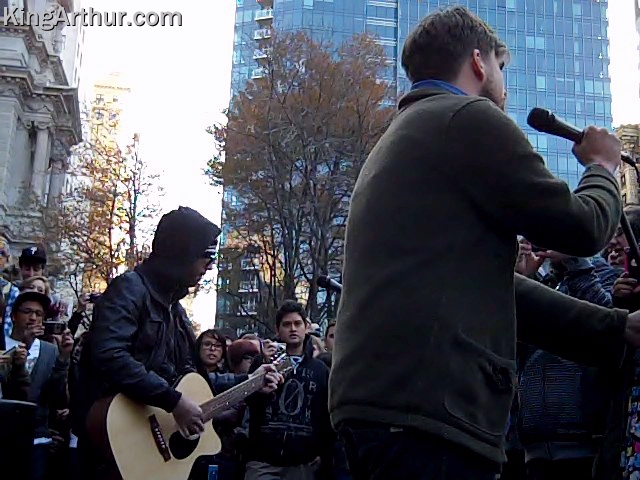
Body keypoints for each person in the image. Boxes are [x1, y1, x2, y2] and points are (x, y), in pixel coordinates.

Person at [329, 6, 640, 480]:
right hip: (431, 412)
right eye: (501, 67)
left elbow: (497, 289)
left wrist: (617, 330)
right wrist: (602, 167)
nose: (504, 85)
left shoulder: (409, 136)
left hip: (388, 408)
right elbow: (583, 229)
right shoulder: (465, 118)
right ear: (479, 62)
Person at [72, 207, 283, 479]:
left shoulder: (175, 311)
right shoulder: (130, 289)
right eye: (207, 256)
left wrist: (250, 382)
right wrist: (173, 401)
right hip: (112, 442)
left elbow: (190, 379)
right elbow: (109, 355)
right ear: (183, 252)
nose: (210, 266)